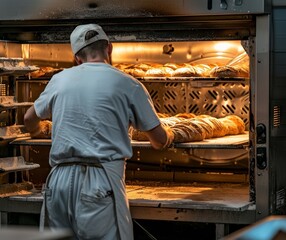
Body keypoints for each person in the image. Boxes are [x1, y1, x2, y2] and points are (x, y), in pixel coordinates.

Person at [24, 23, 174, 240]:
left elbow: (29, 118)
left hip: (58, 181)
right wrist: (169, 136)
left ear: (77, 58)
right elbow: (158, 141)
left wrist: (38, 132)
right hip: (99, 182)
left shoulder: (59, 79)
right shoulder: (128, 83)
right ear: (109, 48)